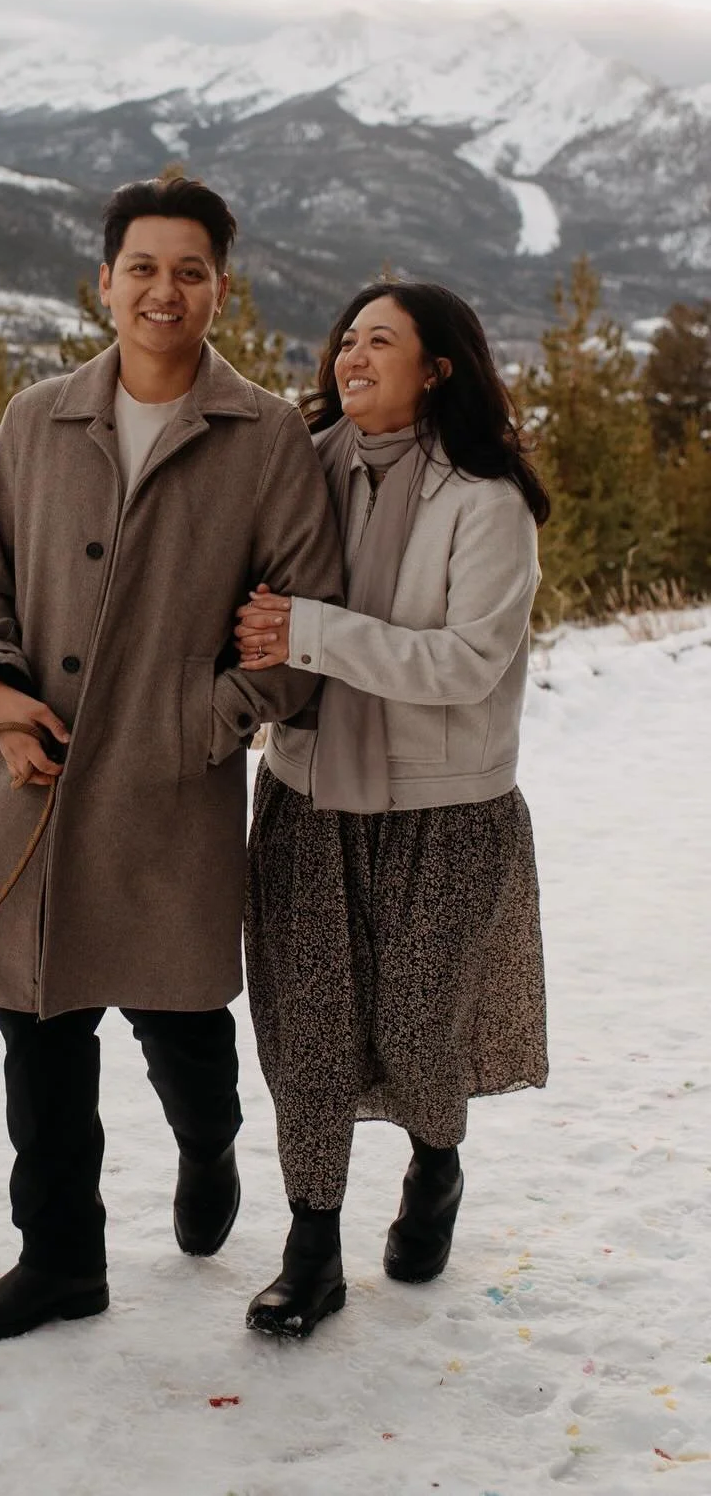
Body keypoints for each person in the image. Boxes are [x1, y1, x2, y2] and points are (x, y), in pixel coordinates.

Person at [0, 172, 344, 1342]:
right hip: (38, 792)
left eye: (191, 270)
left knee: (185, 1027)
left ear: (222, 287)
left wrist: (193, 724)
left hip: (172, 797)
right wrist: (0, 698)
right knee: (38, 1035)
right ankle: (61, 1259)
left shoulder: (266, 437)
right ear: (104, 281)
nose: (166, 290)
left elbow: (301, 630)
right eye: (144, 268)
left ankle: (209, 1144)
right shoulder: (36, 419)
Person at [234, 280, 551, 1340]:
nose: (353, 355)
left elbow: (467, 662)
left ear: (437, 367)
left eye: (382, 340)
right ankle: (311, 1247)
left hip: (444, 811)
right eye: (347, 339)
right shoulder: (300, 466)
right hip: (308, 792)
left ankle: (436, 1160)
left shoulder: (486, 499)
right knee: (309, 1034)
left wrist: (311, 631)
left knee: (420, 1028)